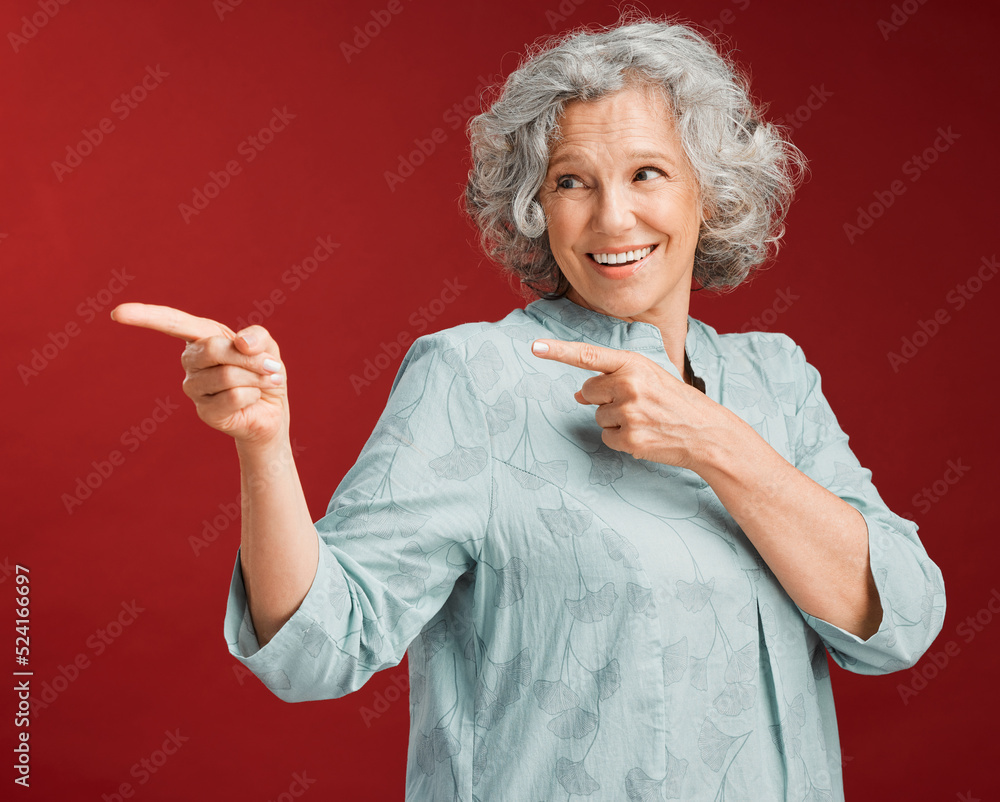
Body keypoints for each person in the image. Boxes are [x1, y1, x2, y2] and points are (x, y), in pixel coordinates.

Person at [113, 16, 945, 801]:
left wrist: (719, 443)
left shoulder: (776, 384)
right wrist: (265, 447)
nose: (613, 217)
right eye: (572, 181)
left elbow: (899, 620)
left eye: (647, 173)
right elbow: (319, 649)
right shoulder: (474, 376)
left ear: (710, 192)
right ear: (536, 209)